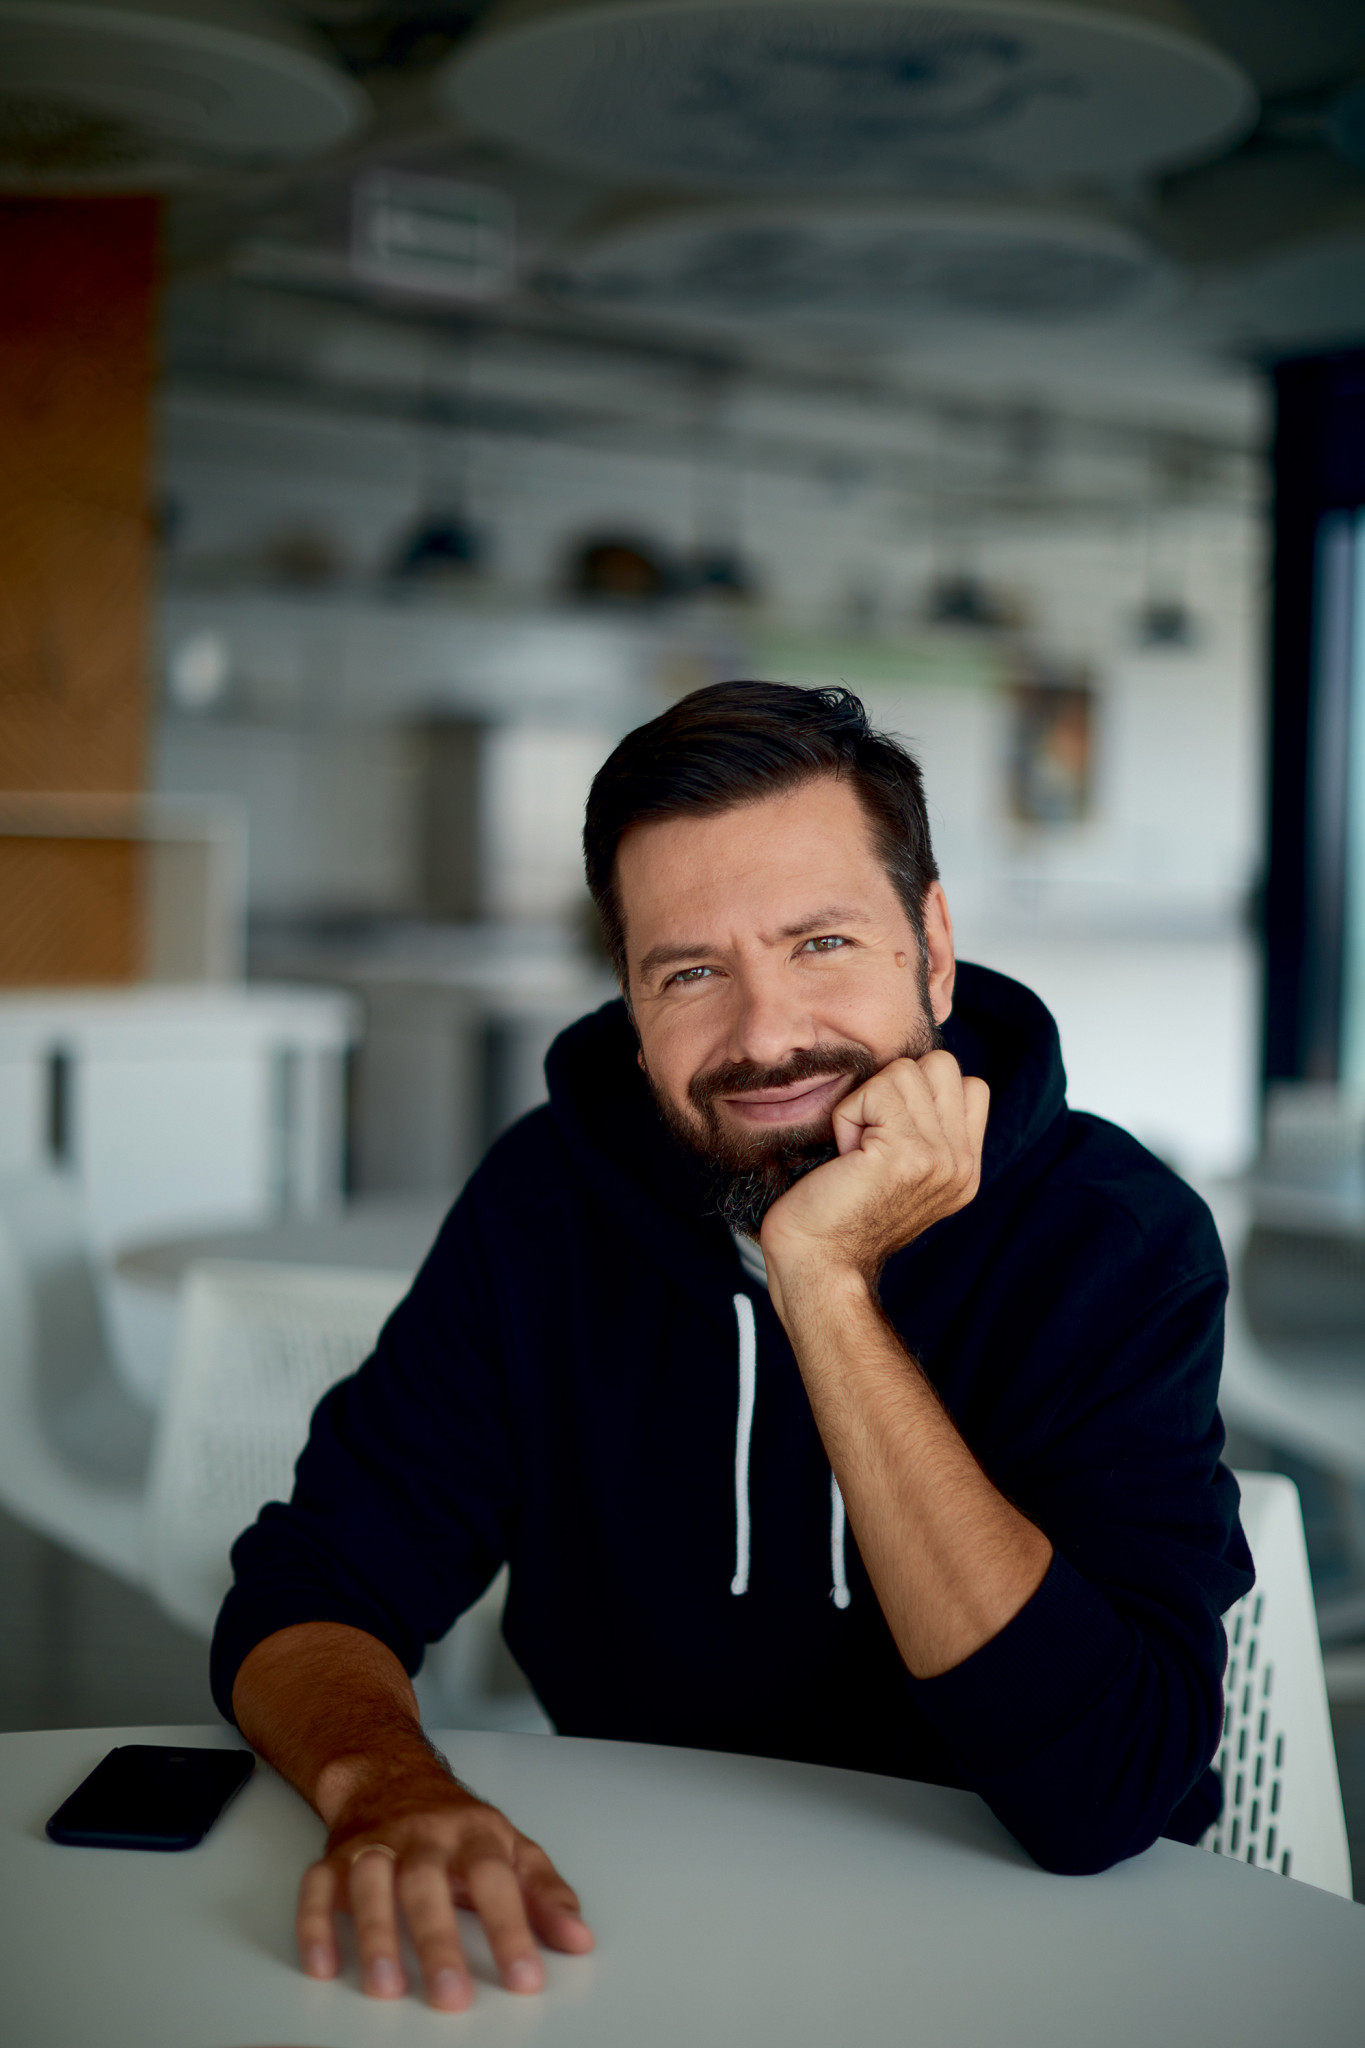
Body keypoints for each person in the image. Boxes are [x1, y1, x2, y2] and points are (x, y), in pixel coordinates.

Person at [213, 680, 1251, 2013]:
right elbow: (314, 1582)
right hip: (637, 1938)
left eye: (822, 943)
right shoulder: (544, 1207)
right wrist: (387, 1785)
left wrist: (824, 1284)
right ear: (631, 1004)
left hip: (1050, 1960)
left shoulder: (1110, 1237)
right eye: (691, 972)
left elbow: (1103, 1789)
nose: (765, 1036)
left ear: (932, 949)